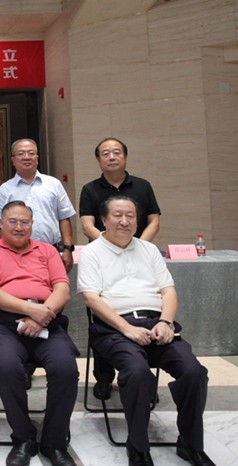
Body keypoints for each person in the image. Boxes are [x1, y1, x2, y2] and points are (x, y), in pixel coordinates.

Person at [77, 195, 223, 466]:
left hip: (156, 324)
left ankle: (191, 444)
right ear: (103, 220)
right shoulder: (92, 252)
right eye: (117, 215)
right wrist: (126, 328)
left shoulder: (149, 250)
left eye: (130, 216)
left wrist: (166, 322)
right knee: (137, 372)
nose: (124, 221)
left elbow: (168, 291)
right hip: (114, 328)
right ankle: (138, 445)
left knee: (194, 372)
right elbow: (92, 299)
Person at [0, 200, 79, 466]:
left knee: (66, 368)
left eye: (25, 222)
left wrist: (40, 316)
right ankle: (23, 438)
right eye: (13, 221)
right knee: (7, 367)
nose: (19, 227)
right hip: (5, 325)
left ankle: (54, 442)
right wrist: (31, 311)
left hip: (48, 322)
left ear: (32, 225)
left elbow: (62, 290)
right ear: (1, 224)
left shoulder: (47, 250)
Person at [79, 137, 161, 401]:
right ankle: (104, 378)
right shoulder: (90, 189)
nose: (111, 157)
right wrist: (111, 245)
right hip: (103, 259)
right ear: (98, 159)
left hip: (138, 256)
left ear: (125, 156)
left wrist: (136, 247)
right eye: (105, 153)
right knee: (103, 316)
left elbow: (154, 220)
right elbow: (87, 225)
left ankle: (143, 378)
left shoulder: (143, 186)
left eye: (116, 152)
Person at [0, 138, 76, 389]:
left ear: (38, 157)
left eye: (31, 153)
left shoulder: (53, 184)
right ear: (13, 160)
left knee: (51, 300)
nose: (27, 157)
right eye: (21, 154)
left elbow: (64, 217)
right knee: (21, 299)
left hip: (49, 252)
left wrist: (67, 248)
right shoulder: (6, 189)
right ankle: (24, 363)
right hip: (14, 254)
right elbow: (0, 226)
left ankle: (50, 354)